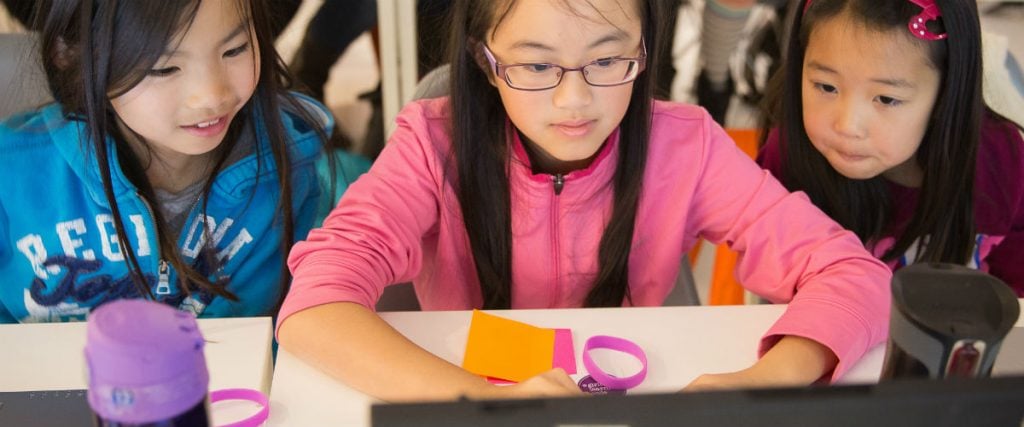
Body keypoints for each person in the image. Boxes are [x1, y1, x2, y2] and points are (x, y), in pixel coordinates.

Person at [277, 0, 891, 402]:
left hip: (631, 382)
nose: (575, 102)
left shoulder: (689, 146)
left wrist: (759, 383)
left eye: (607, 60)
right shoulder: (430, 144)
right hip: (467, 381)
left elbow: (852, 273)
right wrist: (490, 403)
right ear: (484, 61)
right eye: (537, 66)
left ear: (646, 48)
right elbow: (313, 307)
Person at [0, 0, 337, 323]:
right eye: (164, 68)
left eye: (235, 49)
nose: (211, 95)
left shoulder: (290, 170)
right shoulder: (10, 175)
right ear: (71, 54)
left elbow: (287, 334)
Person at [757, 0, 1024, 296]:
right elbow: (773, 281)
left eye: (886, 99)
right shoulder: (787, 159)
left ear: (946, 93)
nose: (848, 126)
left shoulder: (999, 161)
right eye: (826, 86)